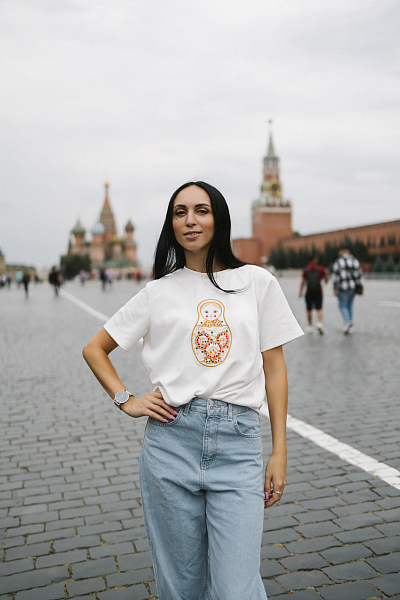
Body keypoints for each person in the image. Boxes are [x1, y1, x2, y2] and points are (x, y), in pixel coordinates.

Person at [83, 181, 303, 600]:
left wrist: (279, 451)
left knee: (236, 589)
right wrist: (127, 401)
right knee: (180, 586)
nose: (190, 220)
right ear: (171, 224)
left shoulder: (256, 282)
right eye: (180, 212)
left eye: (201, 210)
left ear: (219, 218)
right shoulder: (158, 291)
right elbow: (95, 349)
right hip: (170, 444)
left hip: (237, 445)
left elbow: (274, 368)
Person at [332, 248, 363, 334]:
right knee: (349, 306)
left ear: (342, 253)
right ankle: (350, 325)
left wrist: (335, 288)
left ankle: (347, 321)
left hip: (342, 287)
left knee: (342, 306)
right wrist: (361, 287)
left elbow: (335, 276)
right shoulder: (354, 261)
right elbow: (359, 275)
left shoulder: (338, 262)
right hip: (352, 287)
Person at [299, 255, 328, 334]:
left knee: (309, 309)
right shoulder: (320, 268)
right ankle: (319, 323)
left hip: (309, 292)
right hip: (318, 292)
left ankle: (310, 325)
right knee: (319, 308)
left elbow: (303, 281)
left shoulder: (306, 269)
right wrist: (324, 281)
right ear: (315, 260)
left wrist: (300, 292)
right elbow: (326, 278)